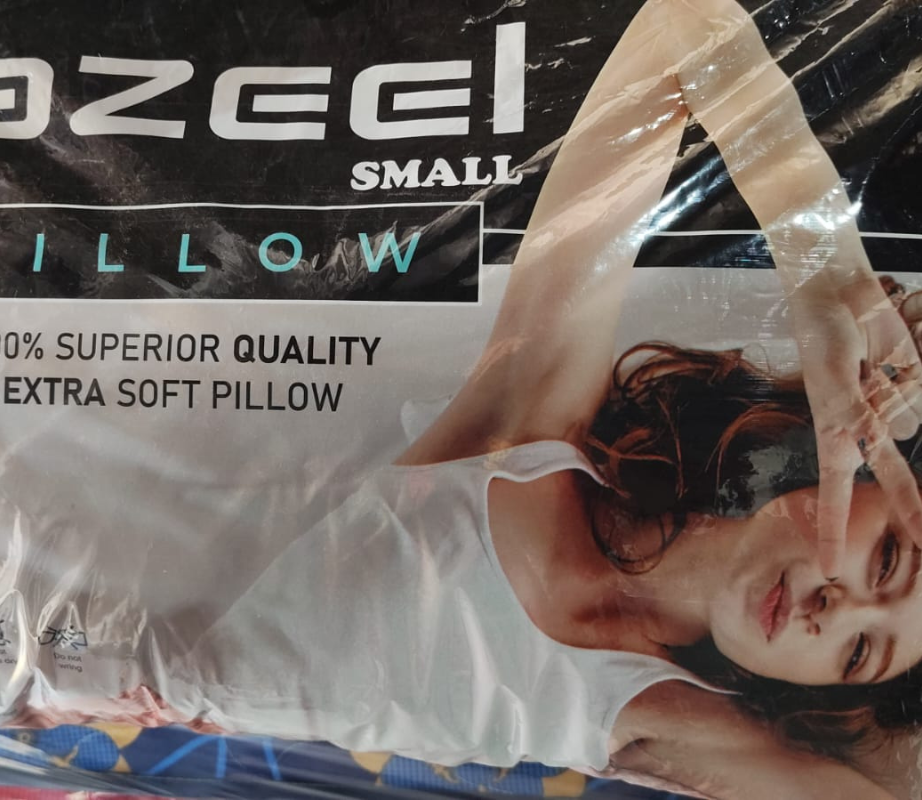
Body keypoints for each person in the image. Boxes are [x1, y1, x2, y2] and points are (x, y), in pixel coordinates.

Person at [179, 0, 922, 797]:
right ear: (864, 466)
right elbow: (680, 23)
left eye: (857, 652)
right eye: (886, 561)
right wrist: (824, 264)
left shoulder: (682, 722)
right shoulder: (533, 432)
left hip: (148, 745)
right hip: (124, 659)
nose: (833, 610)